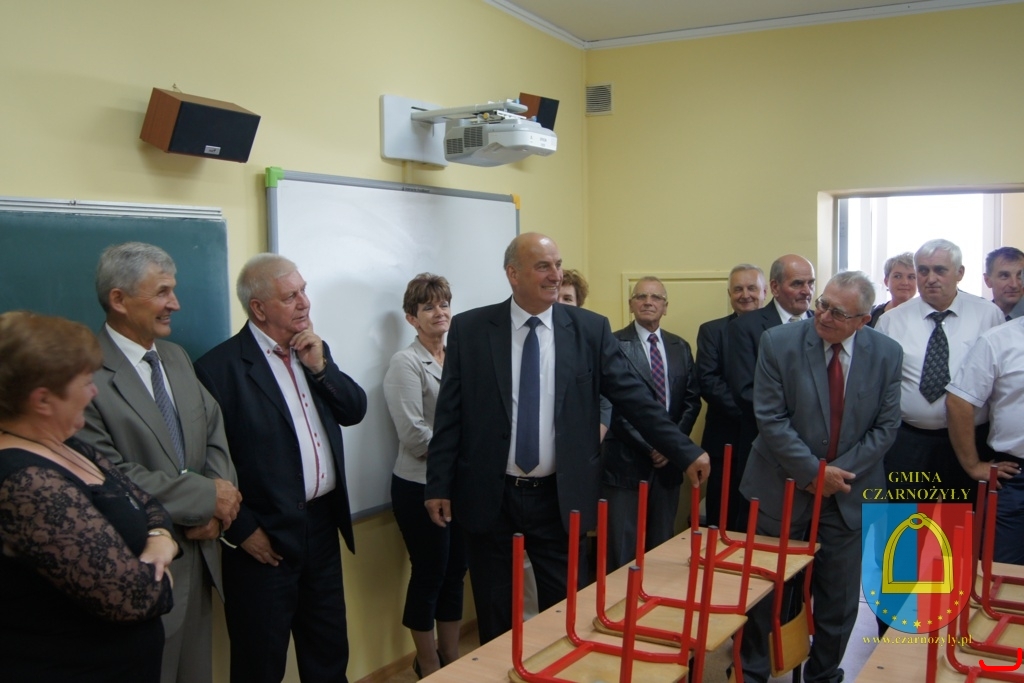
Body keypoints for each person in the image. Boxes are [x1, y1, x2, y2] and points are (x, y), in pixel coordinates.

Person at [425, 232, 710, 644]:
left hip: (560, 499)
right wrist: (438, 483)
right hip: (491, 496)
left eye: (557, 265)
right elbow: (450, 414)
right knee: (496, 616)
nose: (555, 275)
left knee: (565, 616)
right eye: (543, 266)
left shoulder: (588, 329)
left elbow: (634, 398)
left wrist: (684, 450)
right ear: (513, 274)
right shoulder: (471, 329)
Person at [195, 253, 367, 683]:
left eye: (303, 290)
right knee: (260, 664)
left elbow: (354, 410)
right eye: (290, 296)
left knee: (328, 653)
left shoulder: (312, 350)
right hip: (263, 538)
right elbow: (207, 463)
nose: (305, 302)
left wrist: (321, 368)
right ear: (258, 308)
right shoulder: (218, 370)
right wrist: (242, 530)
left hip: (321, 528)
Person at [78, 242, 239, 683]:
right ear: (119, 299)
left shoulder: (176, 357)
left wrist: (218, 507)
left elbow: (213, 432)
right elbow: (107, 473)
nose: (176, 304)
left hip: (201, 558)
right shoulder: (85, 373)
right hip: (143, 569)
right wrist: (205, 498)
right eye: (163, 292)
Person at [739, 272, 903, 683]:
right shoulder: (778, 343)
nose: (824, 316)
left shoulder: (887, 353)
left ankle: (824, 674)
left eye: (838, 312)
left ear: (863, 320)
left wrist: (834, 476)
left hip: (848, 495)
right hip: (781, 488)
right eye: (823, 304)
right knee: (765, 592)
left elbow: (885, 427)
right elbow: (771, 419)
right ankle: (752, 673)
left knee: (839, 600)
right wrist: (813, 473)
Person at [0, 311, 176, 682]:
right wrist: (162, 578)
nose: (94, 392)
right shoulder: (25, 481)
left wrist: (161, 539)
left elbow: (149, 503)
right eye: (84, 382)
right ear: (43, 400)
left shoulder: (71, 444)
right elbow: (133, 596)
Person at [383, 274, 466, 678]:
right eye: (428, 306)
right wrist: (463, 453)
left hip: (459, 485)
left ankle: (452, 653)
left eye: (444, 303)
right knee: (430, 572)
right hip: (419, 485)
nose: (439, 312)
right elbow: (414, 433)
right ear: (411, 318)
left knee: (456, 571)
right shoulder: (405, 362)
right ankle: (428, 661)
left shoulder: (457, 357)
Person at [876, 239, 1004, 499]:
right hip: (907, 441)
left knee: (962, 520)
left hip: (971, 440)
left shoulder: (988, 315)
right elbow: (876, 386)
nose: (930, 278)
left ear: (960, 273)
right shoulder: (891, 321)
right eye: (923, 271)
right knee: (900, 521)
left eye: (940, 270)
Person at [601, 276, 702, 570]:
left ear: (665, 307)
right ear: (631, 304)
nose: (648, 302)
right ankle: (619, 600)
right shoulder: (612, 344)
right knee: (622, 552)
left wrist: (671, 445)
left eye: (656, 297)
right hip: (625, 464)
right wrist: (651, 445)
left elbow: (691, 401)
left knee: (662, 550)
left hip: (668, 467)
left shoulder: (680, 346)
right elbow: (613, 405)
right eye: (641, 296)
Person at [725, 254, 815, 528]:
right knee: (762, 531)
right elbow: (745, 391)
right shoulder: (745, 327)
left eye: (811, 283)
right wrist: (800, 418)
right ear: (774, 287)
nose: (807, 291)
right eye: (797, 283)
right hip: (767, 449)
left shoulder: (822, 324)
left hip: (817, 449)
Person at [946, 319, 1024, 564]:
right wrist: (973, 465)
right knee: (1000, 567)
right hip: (1015, 476)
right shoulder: (998, 340)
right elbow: (958, 401)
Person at [697, 263, 765, 529]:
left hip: (774, 445)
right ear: (729, 294)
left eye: (752, 288)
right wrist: (758, 416)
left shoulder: (781, 332)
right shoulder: (712, 331)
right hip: (726, 442)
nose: (745, 295)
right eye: (738, 289)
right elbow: (709, 382)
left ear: (765, 291)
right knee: (724, 518)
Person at [868, 252, 917, 327]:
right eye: (897, 276)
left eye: (911, 277)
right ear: (886, 281)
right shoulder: (872, 315)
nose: (905, 282)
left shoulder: (930, 316)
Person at [982, 246, 1024, 320]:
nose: (1014, 285)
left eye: (1020, 276)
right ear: (987, 280)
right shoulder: (978, 317)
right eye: (1005, 276)